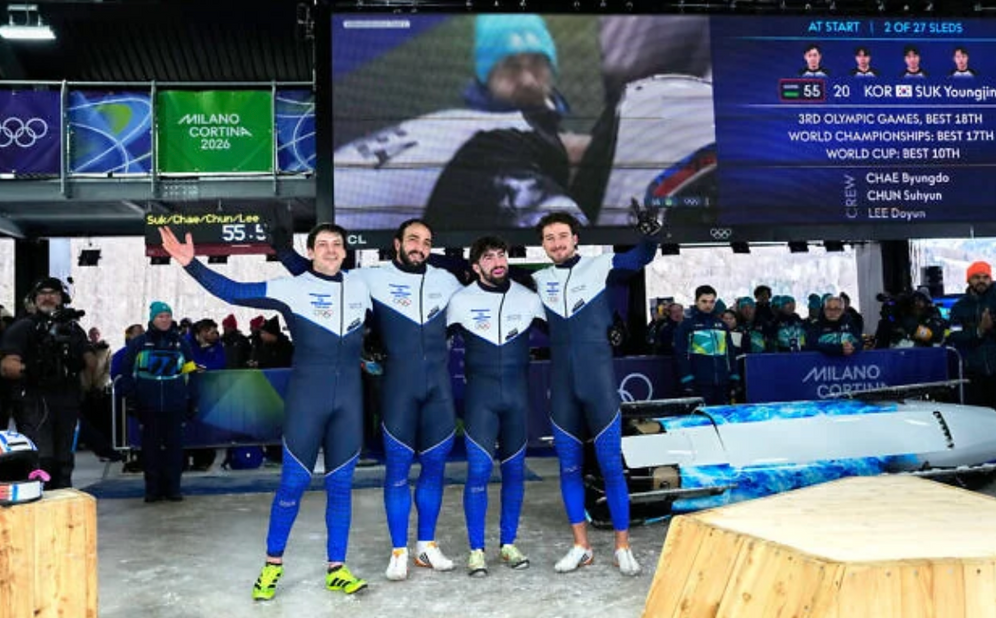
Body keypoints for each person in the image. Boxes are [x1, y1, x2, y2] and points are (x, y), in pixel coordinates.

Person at [159, 223, 373, 599]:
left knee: (341, 486)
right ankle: (272, 566)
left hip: (350, 405)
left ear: (345, 251)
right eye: (322, 244)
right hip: (308, 401)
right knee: (293, 483)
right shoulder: (292, 288)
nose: (330, 250)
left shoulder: (362, 285)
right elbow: (234, 292)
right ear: (309, 252)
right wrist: (192, 265)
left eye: (336, 244)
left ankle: (336, 568)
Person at [277, 218, 463, 581]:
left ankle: (427, 545)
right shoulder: (369, 279)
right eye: (412, 239)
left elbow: (482, 295)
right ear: (397, 243)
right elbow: (321, 273)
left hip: (438, 391)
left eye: (426, 242)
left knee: (435, 470)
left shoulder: (447, 281)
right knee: (397, 472)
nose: (419, 247)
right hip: (398, 390)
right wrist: (286, 254)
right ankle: (398, 551)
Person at [334, 14, 589, 231]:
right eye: (511, 67)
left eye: (537, 63)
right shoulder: (488, 151)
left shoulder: (455, 128)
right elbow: (568, 237)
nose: (528, 80)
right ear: (485, 76)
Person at [531, 204, 660, 576]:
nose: (556, 243)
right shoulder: (539, 280)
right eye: (549, 238)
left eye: (562, 236)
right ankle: (581, 546)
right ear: (543, 244)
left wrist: (650, 236)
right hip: (563, 389)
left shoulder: (599, 267)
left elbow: (640, 258)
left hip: (598, 385)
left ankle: (622, 546)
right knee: (568, 469)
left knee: (610, 469)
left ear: (576, 239)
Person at [446, 235, 545, 577]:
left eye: (501, 254)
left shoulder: (529, 299)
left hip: (517, 399)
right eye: (488, 257)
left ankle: (508, 543)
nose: (498, 260)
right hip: (480, 402)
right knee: (478, 473)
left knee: (515, 473)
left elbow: (564, 334)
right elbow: (429, 346)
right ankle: (476, 550)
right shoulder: (460, 301)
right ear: (476, 267)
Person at [0, 277, 95, 488]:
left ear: (62, 298)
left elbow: (90, 362)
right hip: (35, 402)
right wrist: (33, 369)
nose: (48, 297)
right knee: (41, 460)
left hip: (67, 401)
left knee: (64, 461)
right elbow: (7, 366)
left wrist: (85, 378)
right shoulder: (23, 327)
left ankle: (62, 507)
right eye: (43, 293)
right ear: (34, 299)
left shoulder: (72, 328)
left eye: (53, 293)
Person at [116, 302, 198, 503]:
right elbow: (126, 372)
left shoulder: (181, 343)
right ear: (152, 319)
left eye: (168, 316)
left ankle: (173, 489)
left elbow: (191, 373)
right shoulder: (138, 344)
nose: (165, 320)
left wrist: (192, 399)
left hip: (175, 406)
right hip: (148, 406)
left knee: (174, 450)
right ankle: (152, 489)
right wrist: (132, 399)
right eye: (161, 316)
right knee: (150, 450)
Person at [674, 285, 740, 405]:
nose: (708, 305)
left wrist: (734, 376)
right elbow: (681, 355)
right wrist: (687, 379)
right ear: (696, 302)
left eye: (711, 301)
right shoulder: (687, 325)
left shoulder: (722, 325)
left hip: (722, 382)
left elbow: (730, 352)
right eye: (704, 301)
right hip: (699, 383)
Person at [946, 261, 996, 409]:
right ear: (968, 280)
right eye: (976, 277)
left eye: (985, 277)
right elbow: (954, 335)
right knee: (978, 415)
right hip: (973, 371)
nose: (981, 280)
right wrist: (979, 331)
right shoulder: (958, 307)